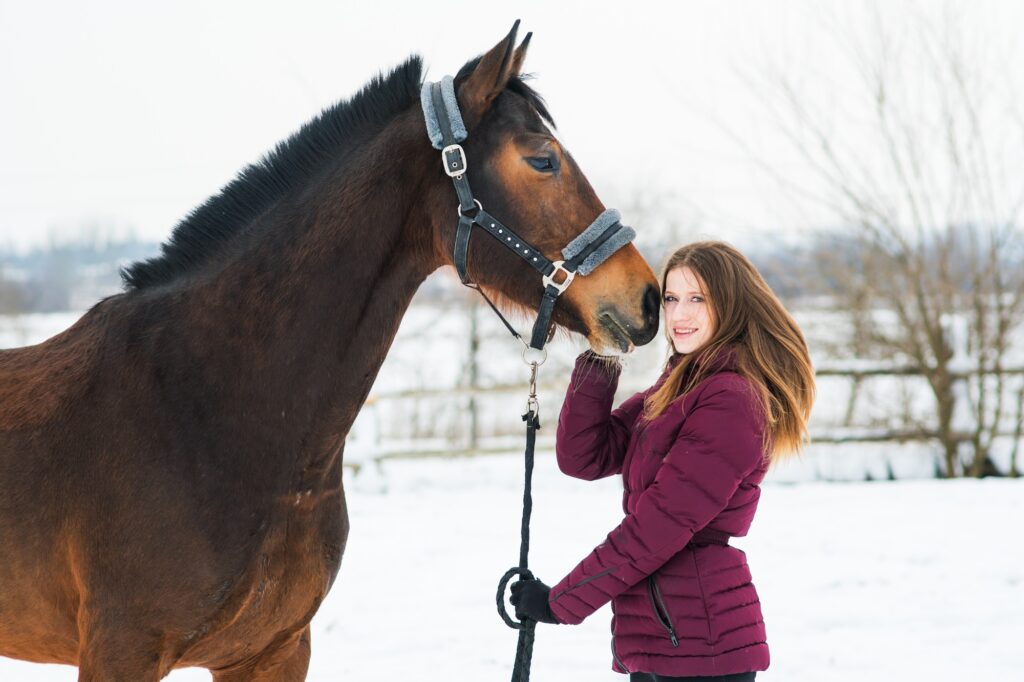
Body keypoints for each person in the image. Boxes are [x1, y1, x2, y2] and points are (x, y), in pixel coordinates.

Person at [510, 241, 815, 681]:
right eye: (671, 299)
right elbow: (584, 456)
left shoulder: (731, 398)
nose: (679, 315)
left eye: (698, 299)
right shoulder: (679, 386)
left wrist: (560, 601)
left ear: (731, 303)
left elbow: (656, 529)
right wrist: (603, 355)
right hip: (663, 643)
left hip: (702, 649)